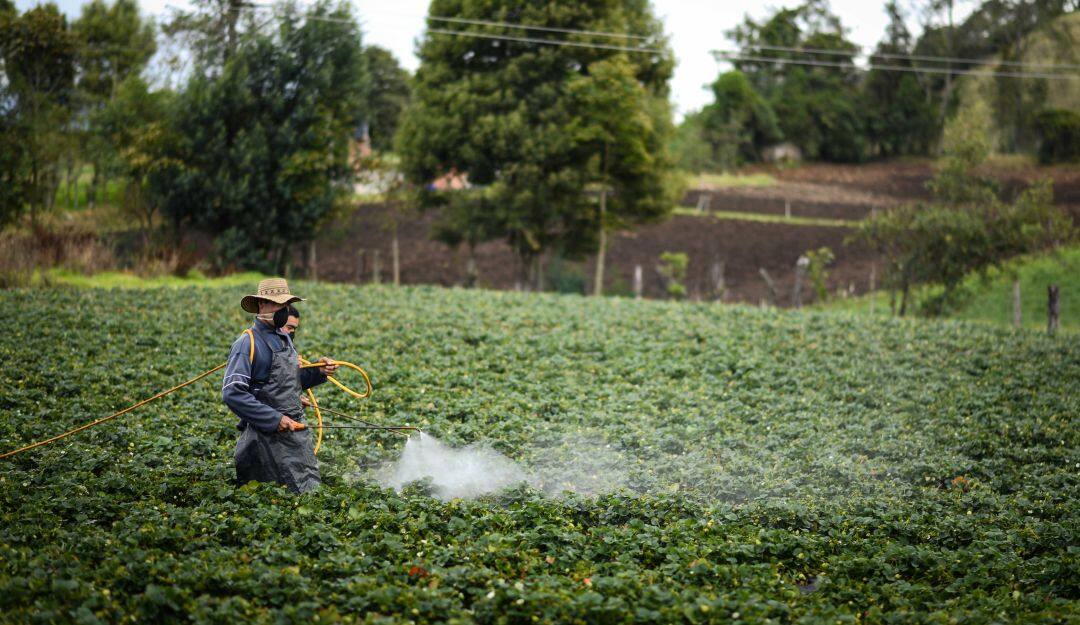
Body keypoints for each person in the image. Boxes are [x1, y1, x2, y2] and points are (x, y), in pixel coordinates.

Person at [221, 278, 337, 493]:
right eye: (277, 304)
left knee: (309, 496)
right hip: (265, 442)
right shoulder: (247, 343)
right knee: (272, 501)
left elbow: (287, 380)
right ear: (261, 305)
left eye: (284, 305)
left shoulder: (285, 339)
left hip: (295, 437)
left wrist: (319, 372)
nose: (282, 310)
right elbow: (232, 393)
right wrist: (275, 419)